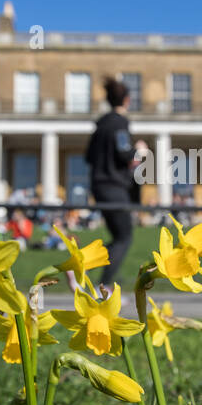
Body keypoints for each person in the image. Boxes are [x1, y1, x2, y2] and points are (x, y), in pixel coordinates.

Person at [85, 77, 147, 290]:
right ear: (127, 100)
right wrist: (139, 150)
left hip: (98, 186)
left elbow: (89, 157)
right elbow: (123, 153)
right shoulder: (120, 123)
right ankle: (105, 286)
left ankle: (82, 263)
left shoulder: (100, 126)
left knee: (117, 236)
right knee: (124, 237)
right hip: (114, 187)